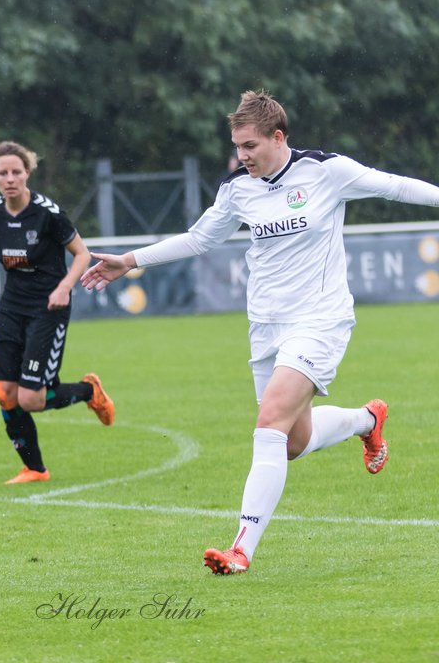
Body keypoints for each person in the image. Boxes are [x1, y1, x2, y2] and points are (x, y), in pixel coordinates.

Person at [82, 88, 439, 574]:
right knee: (291, 442)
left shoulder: (325, 172)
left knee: (269, 423)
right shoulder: (237, 189)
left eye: (249, 146)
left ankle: (240, 549)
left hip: (320, 319)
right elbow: (199, 239)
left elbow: (395, 187)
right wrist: (129, 260)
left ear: (278, 136)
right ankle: (366, 421)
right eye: (237, 146)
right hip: (265, 327)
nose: (241, 155)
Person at [0, 141, 115, 485]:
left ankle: (88, 391)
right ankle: (35, 469)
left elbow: (81, 254)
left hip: (48, 309)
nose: (10, 179)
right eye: (3, 173)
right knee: (6, 394)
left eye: (16, 172)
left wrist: (65, 286)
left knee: (31, 399)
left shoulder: (47, 212)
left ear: (27, 173)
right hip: (11, 309)